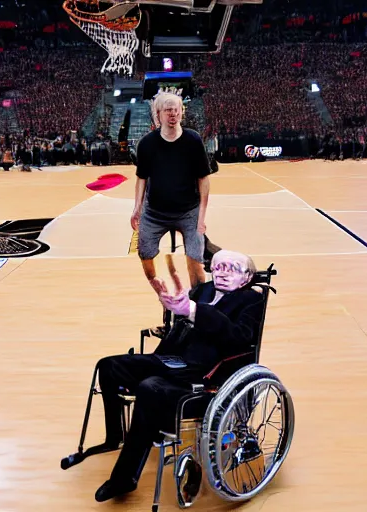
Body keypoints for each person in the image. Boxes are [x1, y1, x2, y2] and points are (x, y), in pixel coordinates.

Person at [93, 249, 265, 502]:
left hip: (206, 371)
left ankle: (124, 478)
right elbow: (182, 319)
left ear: (247, 277)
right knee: (108, 366)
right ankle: (115, 436)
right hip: (173, 359)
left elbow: (240, 337)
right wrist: (174, 307)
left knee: (150, 387)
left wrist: (194, 311)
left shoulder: (250, 299)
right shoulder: (203, 291)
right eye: (219, 266)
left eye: (233, 268)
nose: (224, 272)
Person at [131, 92, 211, 295]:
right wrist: (137, 208)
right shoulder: (147, 144)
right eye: (168, 110)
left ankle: (197, 302)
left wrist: (201, 216)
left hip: (188, 211)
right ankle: (162, 293)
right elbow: (141, 178)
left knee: (195, 256)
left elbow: (204, 179)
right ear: (158, 114)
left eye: (177, 109)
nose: (173, 113)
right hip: (155, 212)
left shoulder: (193, 140)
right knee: (145, 252)